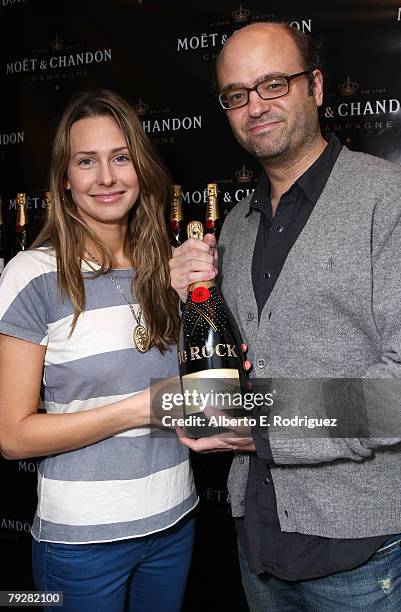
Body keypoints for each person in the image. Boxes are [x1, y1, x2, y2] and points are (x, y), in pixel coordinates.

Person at [169, 22, 401, 612]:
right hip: (259, 549)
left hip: (362, 557)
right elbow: (236, 360)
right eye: (237, 95)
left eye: (273, 83)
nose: (256, 106)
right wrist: (187, 301)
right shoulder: (236, 228)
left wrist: (264, 426)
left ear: (316, 87)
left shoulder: (387, 199)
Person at [0, 89, 198, 612]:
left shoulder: (166, 271)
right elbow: (13, 436)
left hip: (176, 520)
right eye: (86, 162)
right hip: (82, 543)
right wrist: (142, 407)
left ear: (140, 166)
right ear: (65, 179)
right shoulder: (33, 276)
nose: (106, 178)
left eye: (120, 157)